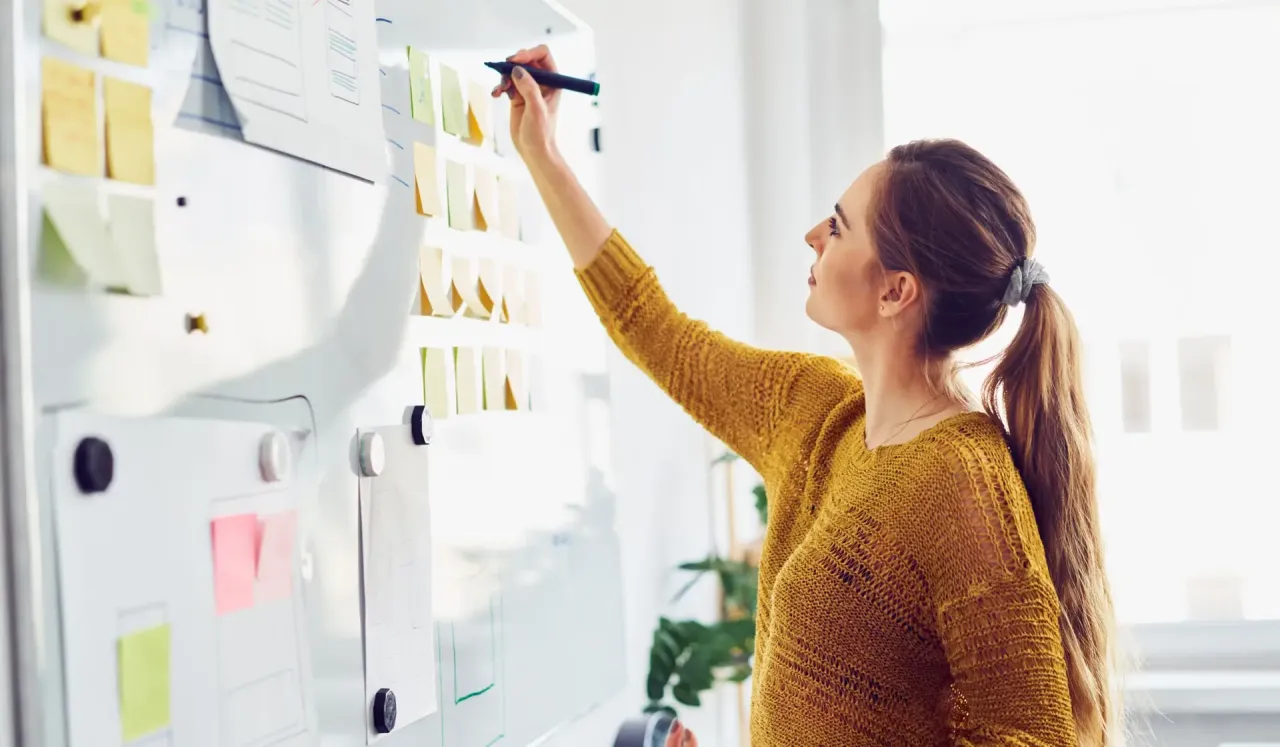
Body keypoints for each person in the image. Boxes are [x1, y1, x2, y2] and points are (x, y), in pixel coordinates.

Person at [494, 47, 1118, 747]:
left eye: (839, 225)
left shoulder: (963, 486)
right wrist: (542, 153)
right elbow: (656, 329)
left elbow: (1036, 738)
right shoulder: (819, 411)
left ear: (895, 289)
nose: (813, 236)